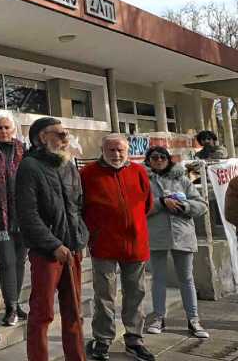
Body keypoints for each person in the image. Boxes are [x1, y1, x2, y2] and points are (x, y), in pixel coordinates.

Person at [16, 117, 89, 361]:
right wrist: (53, 245)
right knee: (42, 314)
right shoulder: (29, 166)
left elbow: (78, 205)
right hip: (47, 253)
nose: (65, 137)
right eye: (58, 133)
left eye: (66, 133)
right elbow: (28, 215)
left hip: (73, 249)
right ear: (41, 137)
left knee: (74, 312)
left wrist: (80, 237)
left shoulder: (69, 164)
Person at [81, 134, 155, 361]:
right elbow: (80, 206)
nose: (116, 154)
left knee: (136, 293)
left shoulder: (139, 171)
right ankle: (102, 340)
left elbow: (148, 204)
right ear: (102, 149)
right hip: (104, 244)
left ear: (128, 150)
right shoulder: (87, 174)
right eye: (111, 150)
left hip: (135, 244)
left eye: (120, 150)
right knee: (104, 296)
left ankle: (134, 339)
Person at [144, 146, 210, 338]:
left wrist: (184, 206)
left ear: (168, 159)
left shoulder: (183, 179)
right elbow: (138, 208)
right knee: (158, 278)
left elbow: (202, 206)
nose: (158, 160)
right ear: (148, 161)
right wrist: (161, 203)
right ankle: (158, 318)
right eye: (154, 157)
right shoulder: (144, 181)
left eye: (162, 157)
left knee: (186, 278)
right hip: (156, 235)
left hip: (182, 234)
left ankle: (194, 320)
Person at [0, 115, 28, 326]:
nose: (3, 131)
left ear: (14, 129)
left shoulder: (23, 149)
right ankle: (10, 307)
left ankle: (16, 302)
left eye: (7, 127)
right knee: (7, 262)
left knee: (19, 262)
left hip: (23, 215)